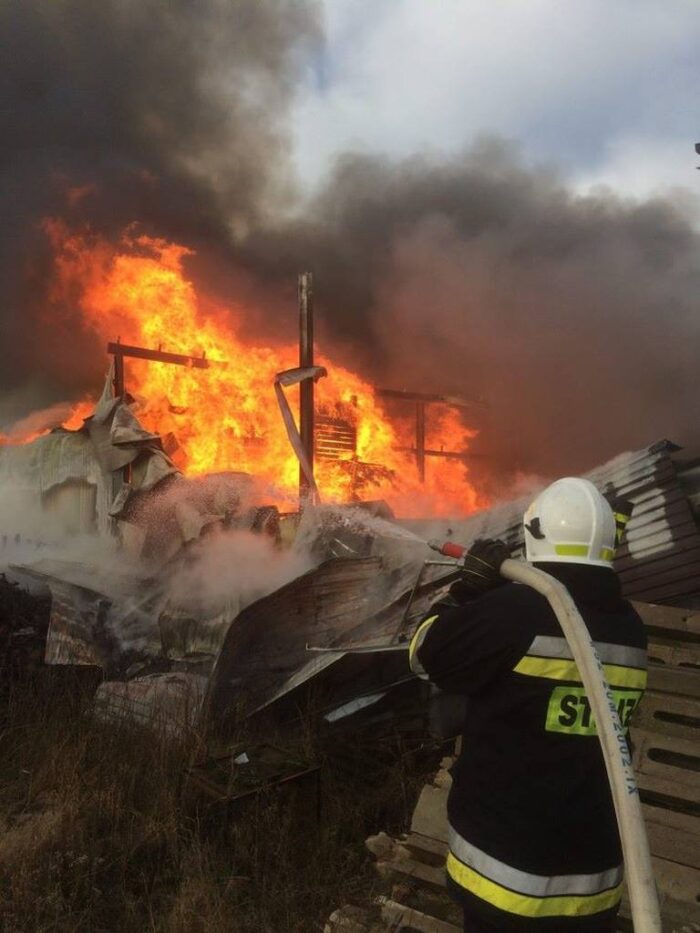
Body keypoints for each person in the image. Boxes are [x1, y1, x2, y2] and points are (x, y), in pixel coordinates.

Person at [409, 477, 647, 932]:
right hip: (593, 883)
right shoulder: (630, 627)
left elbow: (425, 654)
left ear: (535, 535)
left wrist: (467, 590)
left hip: (505, 877)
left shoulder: (515, 612)